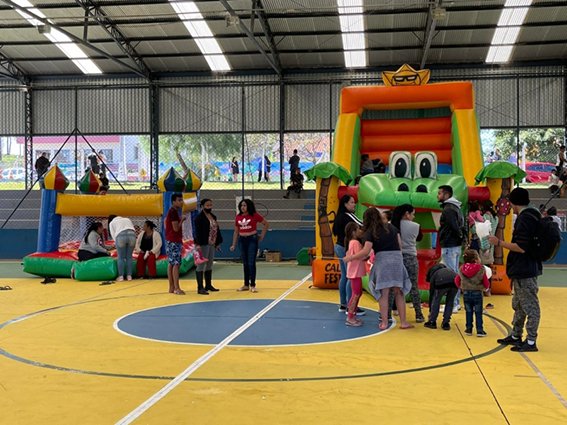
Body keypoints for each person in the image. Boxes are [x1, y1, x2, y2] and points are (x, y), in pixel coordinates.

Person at [488, 187, 542, 352]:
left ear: (513, 202)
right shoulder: (532, 216)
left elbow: (521, 247)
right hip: (522, 269)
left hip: (525, 269)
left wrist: (499, 242)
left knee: (530, 304)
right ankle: (516, 334)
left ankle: (531, 340)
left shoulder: (525, 219)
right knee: (519, 304)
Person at [344, 208, 413, 330]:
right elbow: (400, 246)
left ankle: (384, 322)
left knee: (383, 294)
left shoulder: (370, 232)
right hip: (397, 260)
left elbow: (366, 251)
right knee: (399, 292)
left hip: (383, 262)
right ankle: (403, 322)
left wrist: (350, 257)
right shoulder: (392, 227)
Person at [392, 204, 425, 323]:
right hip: (411, 257)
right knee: (413, 286)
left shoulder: (393, 225)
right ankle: (418, 314)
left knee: (394, 285)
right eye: (413, 213)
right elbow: (419, 238)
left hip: (396, 258)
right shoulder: (416, 226)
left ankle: (392, 310)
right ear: (407, 214)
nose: (414, 216)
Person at [331, 195, 364, 315]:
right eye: (352, 202)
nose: (354, 204)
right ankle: (351, 306)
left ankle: (343, 304)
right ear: (345, 204)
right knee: (351, 276)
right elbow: (362, 224)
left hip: (339, 246)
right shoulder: (348, 216)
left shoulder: (339, 216)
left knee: (345, 275)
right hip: (346, 249)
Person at [230, 198, 269, 292]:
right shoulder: (238, 217)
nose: (243, 207)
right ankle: (246, 284)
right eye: (241, 206)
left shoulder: (254, 215)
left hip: (252, 239)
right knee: (245, 263)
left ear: (249, 206)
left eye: (245, 205)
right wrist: (233, 244)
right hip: (242, 240)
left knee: (251, 262)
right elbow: (236, 231)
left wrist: (262, 236)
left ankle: (253, 285)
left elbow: (266, 224)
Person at [437, 185, 465, 312]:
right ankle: (455, 302)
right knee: (455, 272)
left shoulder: (448, 209)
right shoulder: (455, 207)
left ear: (446, 195)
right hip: (455, 244)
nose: (438, 196)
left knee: (451, 274)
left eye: (440, 193)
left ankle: (453, 303)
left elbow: (453, 226)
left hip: (450, 244)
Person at [455, 249, 490, 337]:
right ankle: (479, 330)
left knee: (468, 311)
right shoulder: (481, 268)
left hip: (466, 292)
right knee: (478, 312)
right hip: (477, 292)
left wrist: (461, 287)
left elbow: (457, 280)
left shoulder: (462, 268)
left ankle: (469, 329)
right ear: (475, 259)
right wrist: (486, 287)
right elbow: (485, 281)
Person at [194, 198, 223, 294]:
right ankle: (200, 287)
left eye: (210, 205)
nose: (209, 207)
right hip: (203, 243)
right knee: (201, 264)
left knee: (210, 263)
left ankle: (208, 284)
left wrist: (217, 242)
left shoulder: (213, 216)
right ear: (202, 206)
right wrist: (197, 244)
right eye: (207, 205)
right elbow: (197, 232)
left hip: (212, 243)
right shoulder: (199, 218)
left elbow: (216, 229)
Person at [423, 263, 458, 330]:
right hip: (455, 281)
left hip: (441, 281)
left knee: (436, 300)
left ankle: (432, 322)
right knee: (450, 301)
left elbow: (432, 295)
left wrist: (431, 311)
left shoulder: (434, 275)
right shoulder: (448, 270)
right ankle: (446, 323)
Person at [344, 222, 366, 327]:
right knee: (356, 294)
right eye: (358, 229)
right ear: (354, 232)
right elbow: (361, 255)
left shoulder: (352, 242)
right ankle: (350, 316)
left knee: (358, 293)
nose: (360, 231)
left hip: (356, 272)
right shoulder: (355, 243)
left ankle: (353, 315)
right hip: (355, 272)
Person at [165, 193, 186, 295]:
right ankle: (176, 287)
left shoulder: (172, 212)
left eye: (181, 200)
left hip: (170, 239)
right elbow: (176, 228)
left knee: (171, 263)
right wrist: (182, 220)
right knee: (176, 263)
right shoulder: (173, 212)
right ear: (173, 201)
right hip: (174, 240)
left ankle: (171, 287)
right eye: (179, 200)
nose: (181, 202)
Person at [108, 215, 136, 282]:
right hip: (132, 235)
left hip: (120, 236)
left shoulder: (112, 223)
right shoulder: (127, 219)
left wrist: (117, 243)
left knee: (120, 257)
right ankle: (129, 276)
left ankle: (121, 276)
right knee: (129, 257)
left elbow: (113, 235)